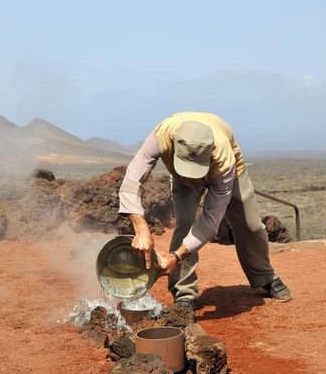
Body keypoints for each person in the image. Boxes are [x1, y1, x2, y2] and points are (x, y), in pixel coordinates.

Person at [118, 112, 291, 309]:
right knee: (184, 224)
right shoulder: (162, 136)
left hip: (225, 174)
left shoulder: (223, 158)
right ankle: (184, 292)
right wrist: (140, 227)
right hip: (180, 177)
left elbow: (211, 219)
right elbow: (131, 181)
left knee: (251, 225)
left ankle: (264, 276)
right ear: (174, 142)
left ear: (212, 149)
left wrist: (176, 257)